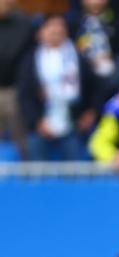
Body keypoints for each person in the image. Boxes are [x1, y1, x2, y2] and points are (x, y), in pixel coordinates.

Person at [16, 14, 97, 161]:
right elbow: (24, 94)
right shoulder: (30, 59)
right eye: (50, 27)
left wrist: (90, 112)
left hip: (72, 123)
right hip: (41, 123)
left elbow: (93, 87)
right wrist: (36, 121)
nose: (55, 30)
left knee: (75, 172)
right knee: (37, 169)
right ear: (40, 33)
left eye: (59, 26)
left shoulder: (77, 56)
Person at [0, 0, 36, 159]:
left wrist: (22, 90)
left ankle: (27, 179)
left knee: (22, 142)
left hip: (14, 91)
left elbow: (28, 62)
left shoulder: (25, 24)